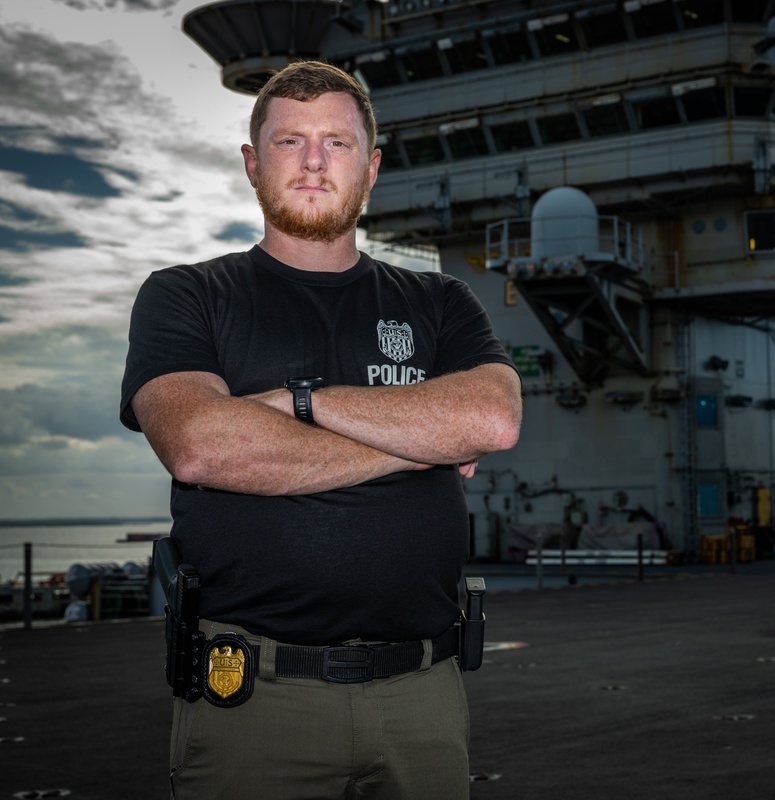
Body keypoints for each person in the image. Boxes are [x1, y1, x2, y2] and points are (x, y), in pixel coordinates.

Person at [119, 61, 522, 799]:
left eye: (335, 143)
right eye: (289, 142)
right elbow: (200, 446)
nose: (312, 161)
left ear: (369, 169)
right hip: (253, 702)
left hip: (422, 701)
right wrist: (419, 442)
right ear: (251, 162)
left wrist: (296, 402)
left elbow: (490, 418)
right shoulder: (187, 296)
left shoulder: (440, 302)